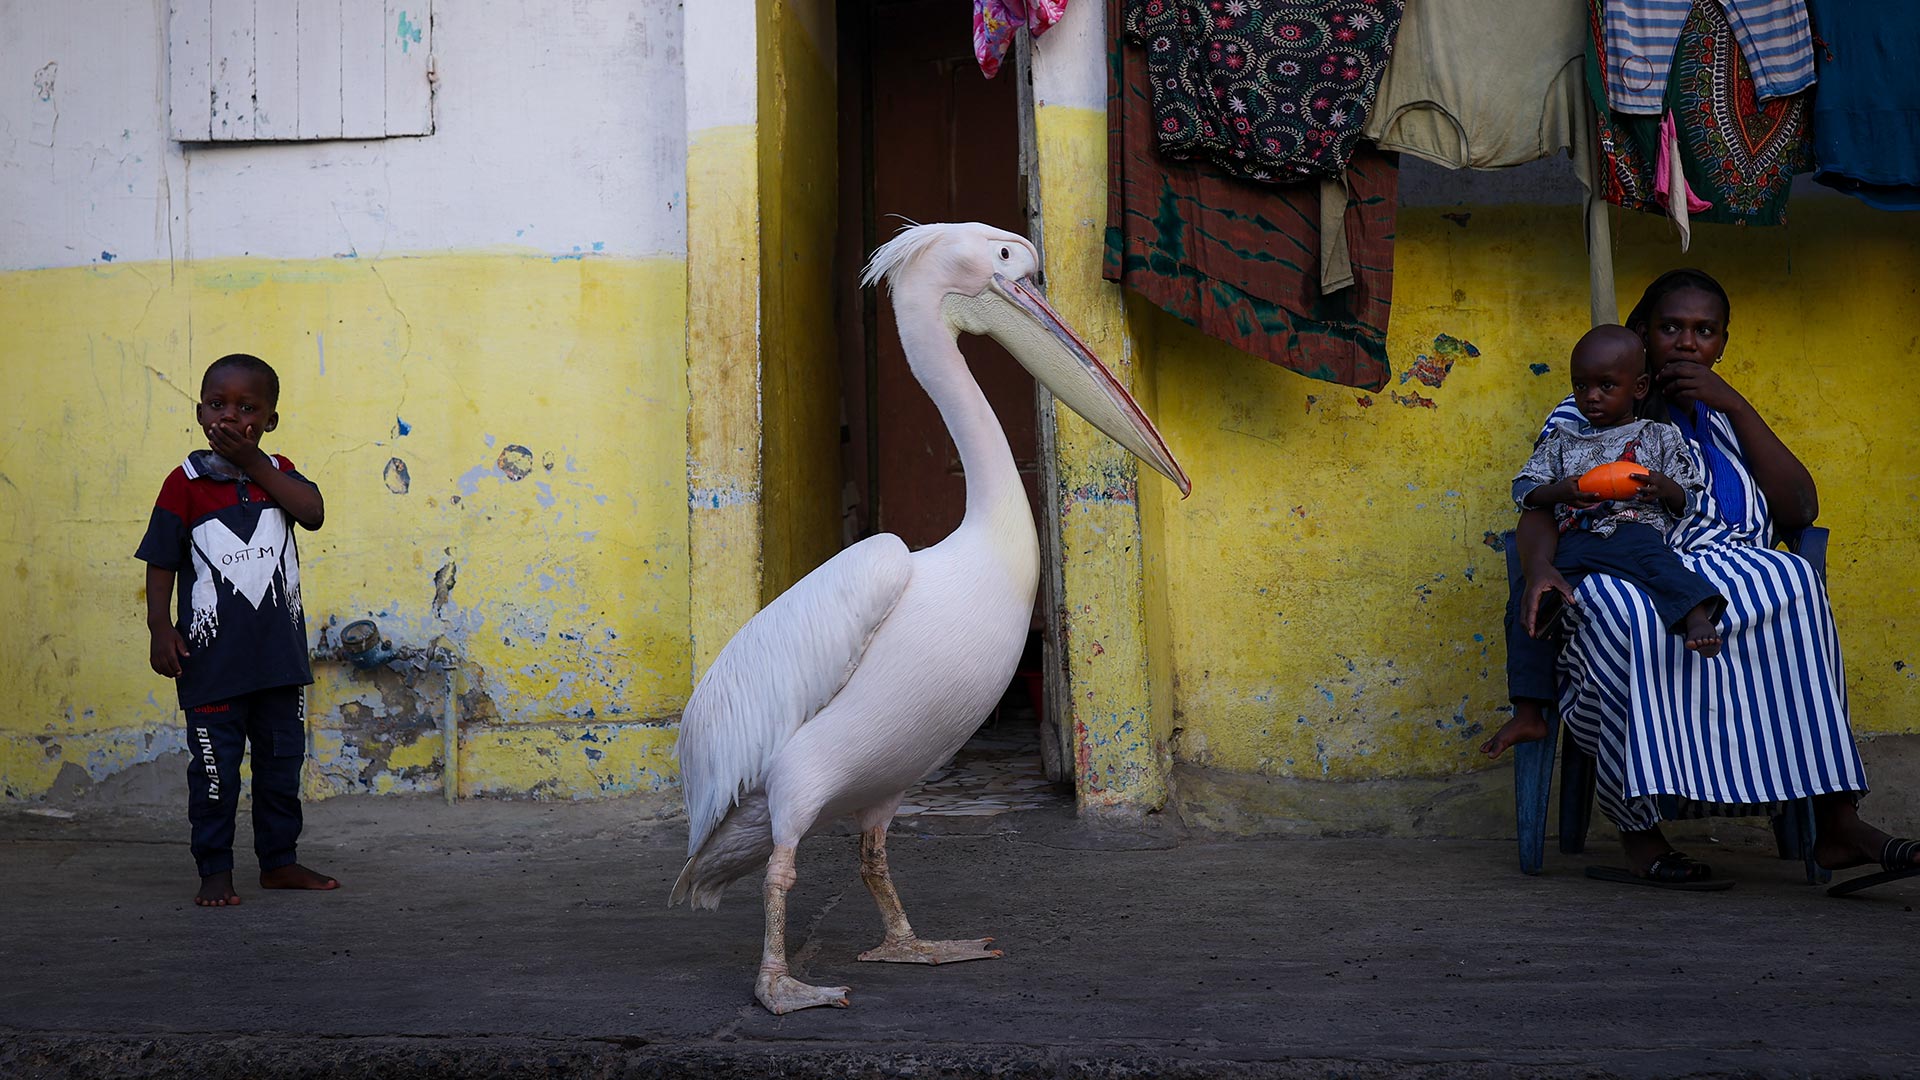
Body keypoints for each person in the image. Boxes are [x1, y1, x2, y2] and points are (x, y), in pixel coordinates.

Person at [1483, 270, 1918, 893]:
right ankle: (1640, 834)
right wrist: (1543, 566)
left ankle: (1837, 820)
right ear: (1642, 336)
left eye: (1704, 332)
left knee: (1793, 580)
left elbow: (1799, 509)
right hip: (1622, 557)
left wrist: (1733, 403)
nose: (1687, 344)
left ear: (1721, 343)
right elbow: (1542, 504)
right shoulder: (1591, 408)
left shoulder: (1721, 416)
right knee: (1618, 611)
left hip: (1727, 558)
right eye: (1671, 328)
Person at [136, 353, 339, 907]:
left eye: (248, 408)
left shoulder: (278, 474)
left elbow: (314, 511)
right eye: (218, 404)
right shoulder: (185, 484)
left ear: (270, 420)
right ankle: (215, 872)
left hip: (278, 663)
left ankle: (279, 862)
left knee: (280, 769)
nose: (231, 416)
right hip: (211, 665)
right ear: (200, 411)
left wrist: (257, 464)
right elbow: (159, 560)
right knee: (215, 775)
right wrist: (160, 626)